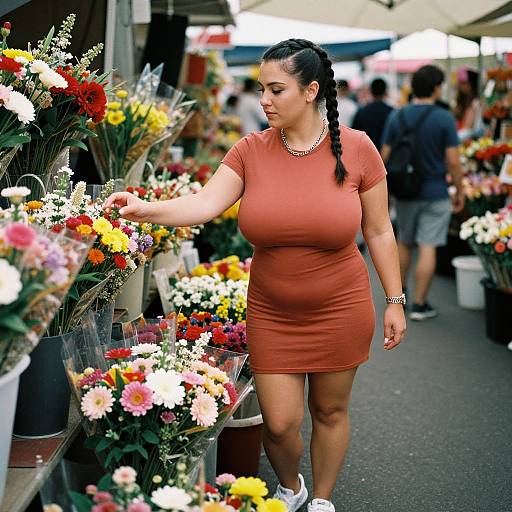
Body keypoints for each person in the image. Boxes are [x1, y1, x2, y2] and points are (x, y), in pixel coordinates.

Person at [104, 38, 406, 512]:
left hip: (341, 306)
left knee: (329, 410)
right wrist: (145, 208)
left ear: (310, 91)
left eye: (275, 89)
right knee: (281, 423)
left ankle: (323, 500)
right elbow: (203, 203)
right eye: (261, 88)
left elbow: (380, 230)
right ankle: (291, 488)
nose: (263, 99)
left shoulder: (359, 149)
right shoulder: (251, 150)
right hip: (272, 309)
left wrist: (395, 299)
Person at [381, 64, 465, 321]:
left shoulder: (398, 116)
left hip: (405, 192)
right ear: (437, 88)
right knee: (428, 246)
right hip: (435, 190)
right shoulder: (444, 118)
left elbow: (383, 156)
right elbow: (452, 160)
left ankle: (401, 295)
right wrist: (459, 190)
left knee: (405, 242)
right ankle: (419, 304)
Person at [352, 78, 393, 150]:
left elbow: (354, 134)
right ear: (385, 92)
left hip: (365, 152)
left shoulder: (362, 112)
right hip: (385, 155)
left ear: (371, 91)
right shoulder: (391, 112)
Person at [453, 66, 483, 142]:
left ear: (471, 83)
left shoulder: (475, 102)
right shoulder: (462, 100)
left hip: (468, 139)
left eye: (464, 83)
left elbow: (467, 126)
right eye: (460, 83)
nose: (461, 86)